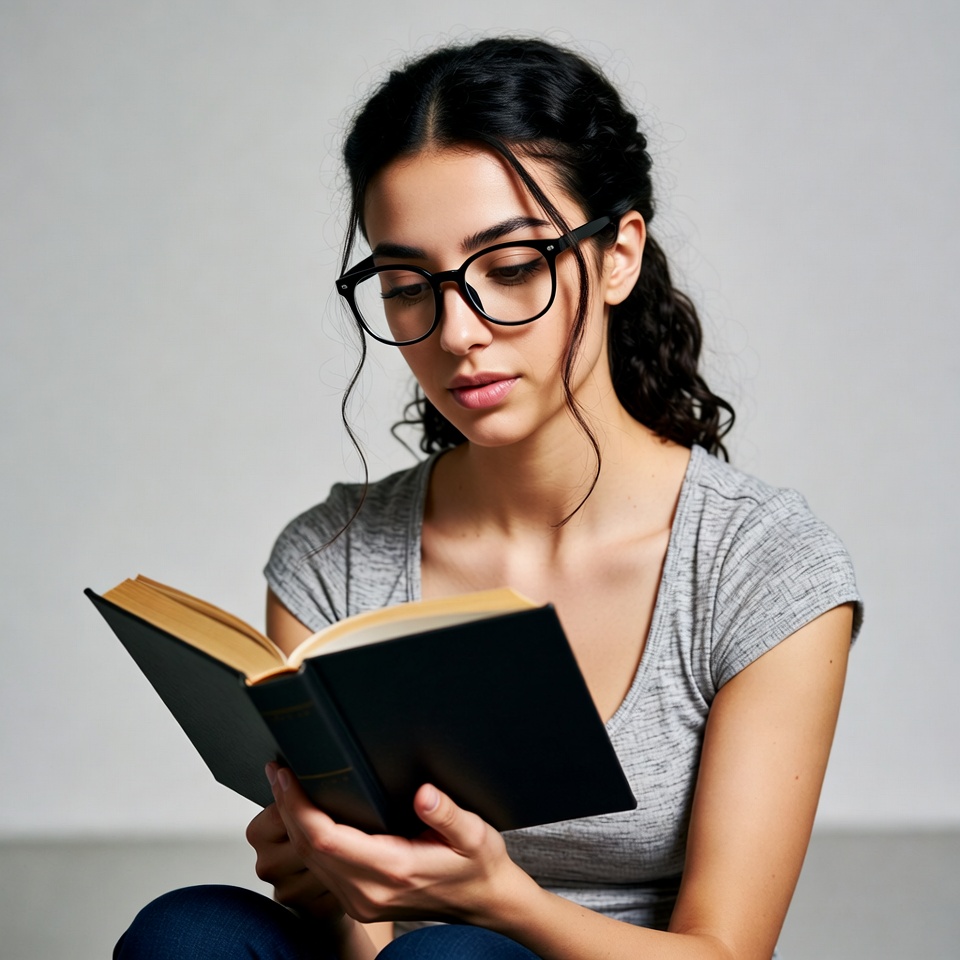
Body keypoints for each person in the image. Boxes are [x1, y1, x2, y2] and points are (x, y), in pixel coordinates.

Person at [114, 36, 862, 960]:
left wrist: (505, 900)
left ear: (619, 254)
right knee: (189, 931)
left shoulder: (759, 564)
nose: (456, 332)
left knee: (452, 957)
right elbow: (366, 944)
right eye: (405, 285)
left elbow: (728, 953)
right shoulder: (334, 554)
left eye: (510, 268)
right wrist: (337, 875)